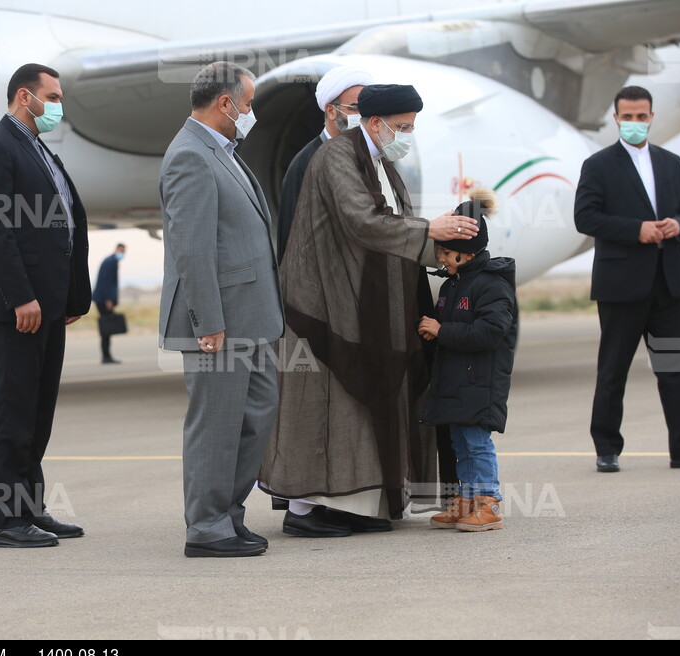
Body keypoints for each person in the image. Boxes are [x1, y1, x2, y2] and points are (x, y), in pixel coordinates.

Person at [258, 83, 481, 537]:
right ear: (374, 122)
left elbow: (388, 223)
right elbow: (362, 221)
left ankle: (352, 507)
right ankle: (305, 512)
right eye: (401, 127)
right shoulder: (337, 156)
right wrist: (429, 229)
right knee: (321, 407)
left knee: (355, 410)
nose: (406, 136)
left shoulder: (380, 162)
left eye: (411, 128)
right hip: (324, 305)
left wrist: (439, 241)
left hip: (363, 306)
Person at [0, 63, 92, 548]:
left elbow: (65, 227)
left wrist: (72, 296)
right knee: (14, 411)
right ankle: (5, 521)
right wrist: (23, 297)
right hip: (16, 305)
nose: (58, 105)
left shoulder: (37, 148)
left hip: (47, 304)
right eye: (51, 96)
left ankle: (30, 509)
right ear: (23, 96)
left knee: (38, 411)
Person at [159, 61, 284, 558]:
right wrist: (207, 321)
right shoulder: (189, 155)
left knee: (255, 414)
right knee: (216, 423)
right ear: (225, 103)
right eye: (248, 104)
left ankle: (229, 514)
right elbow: (191, 248)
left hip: (250, 317)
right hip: (220, 321)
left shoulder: (223, 151)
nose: (250, 113)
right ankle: (207, 528)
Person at [574, 85, 680, 473]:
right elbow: (585, 218)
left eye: (642, 117)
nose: (635, 124)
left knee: (676, 371)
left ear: (651, 117)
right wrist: (636, 229)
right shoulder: (598, 165)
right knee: (613, 371)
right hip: (622, 287)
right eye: (628, 117)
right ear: (617, 118)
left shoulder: (672, 163)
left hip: (668, 284)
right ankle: (606, 449)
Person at [419, 190, 517, 532]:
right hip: (455, 383)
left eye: (446, 252)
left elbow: (490, 332)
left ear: (466, 253)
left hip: (479, 383)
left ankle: (488, 503)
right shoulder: (452, 286)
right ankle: (465, 501)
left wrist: (442, 330)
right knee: (460, 444)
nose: (442, 259)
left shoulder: (492, 285)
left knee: (477, 444)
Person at [276, 65, 374, 261]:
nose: (362, 117)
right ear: (331, 111)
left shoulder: (367, 156)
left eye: (367, 109)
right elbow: (293, 241)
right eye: (355, 108)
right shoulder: (306, 164)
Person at [93, 243, 125, 364]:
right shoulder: (111, 262)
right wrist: (109, 299)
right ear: (116, 250)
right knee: (106, 329)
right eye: (121, 251)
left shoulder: (110, 261)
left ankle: (107, 355)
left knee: (107, 329)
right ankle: (106, 356)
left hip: (102, 298)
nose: (122, 254)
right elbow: (107, 282)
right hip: (104, 299)